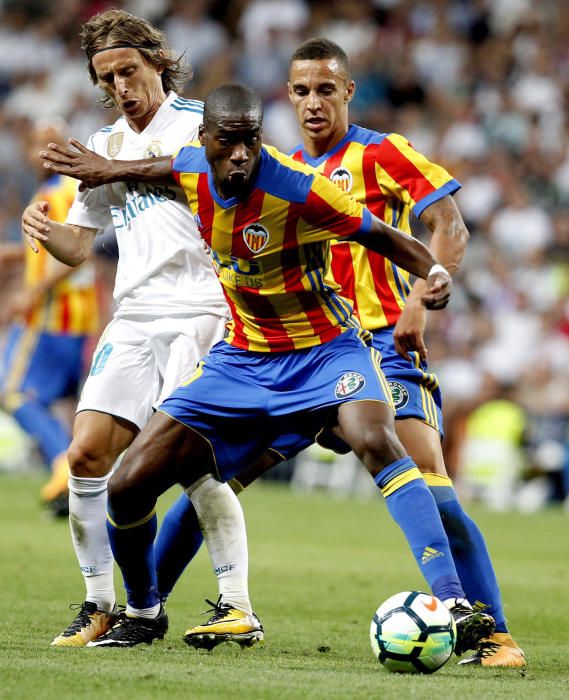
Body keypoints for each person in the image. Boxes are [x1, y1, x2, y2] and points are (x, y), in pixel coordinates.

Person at [39, 83, 494, 651]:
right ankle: (145, 610)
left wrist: (435, 275)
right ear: (204, 142)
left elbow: (384, 236)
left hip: (324, 351)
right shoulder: (189, 169)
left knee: (379, 442)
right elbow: (159, 167)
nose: (239, 156)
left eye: (249, 142)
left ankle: (452, 602)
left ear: (260, 139)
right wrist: (106, 169)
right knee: (130, 485)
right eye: (226, 143)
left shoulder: (301, 189)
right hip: (244, 357)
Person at [155, 38, 525, 667]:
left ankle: (489, 632)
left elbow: (450, 227)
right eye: (300, 91)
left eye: (326, 89)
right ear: (287, 98)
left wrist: (416, 300)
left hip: (381, 345)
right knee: (209, 481)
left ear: (349, 92)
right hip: (300, 356)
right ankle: (142, 609)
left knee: (428, 480)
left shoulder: (381, 154)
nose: (313, 102)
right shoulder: (277, 172)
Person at [21, 9, 230, 647]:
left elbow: (206, 177)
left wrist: (108, 170)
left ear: (157, 61)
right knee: (86, 454)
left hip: (203, 309)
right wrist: (44, 230)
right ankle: (99, 603)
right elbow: (80, 247)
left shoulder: (203, 122)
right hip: (134, 315)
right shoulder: (106, 142)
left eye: (129, 70)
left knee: (193, 466)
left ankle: (234, 602)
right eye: (108, 78)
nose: (120, 86)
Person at [0, 118, 98, 517]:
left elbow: (76, 252)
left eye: (49, 145)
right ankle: (81, 489)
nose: (39, 154)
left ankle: (63, 464)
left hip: (50, 316)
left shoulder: (57, 192)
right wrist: (18, 255)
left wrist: (31, 290)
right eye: (36, 146)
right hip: (77, 318)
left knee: (14, 392)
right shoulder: (71, 190)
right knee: (66, 401)